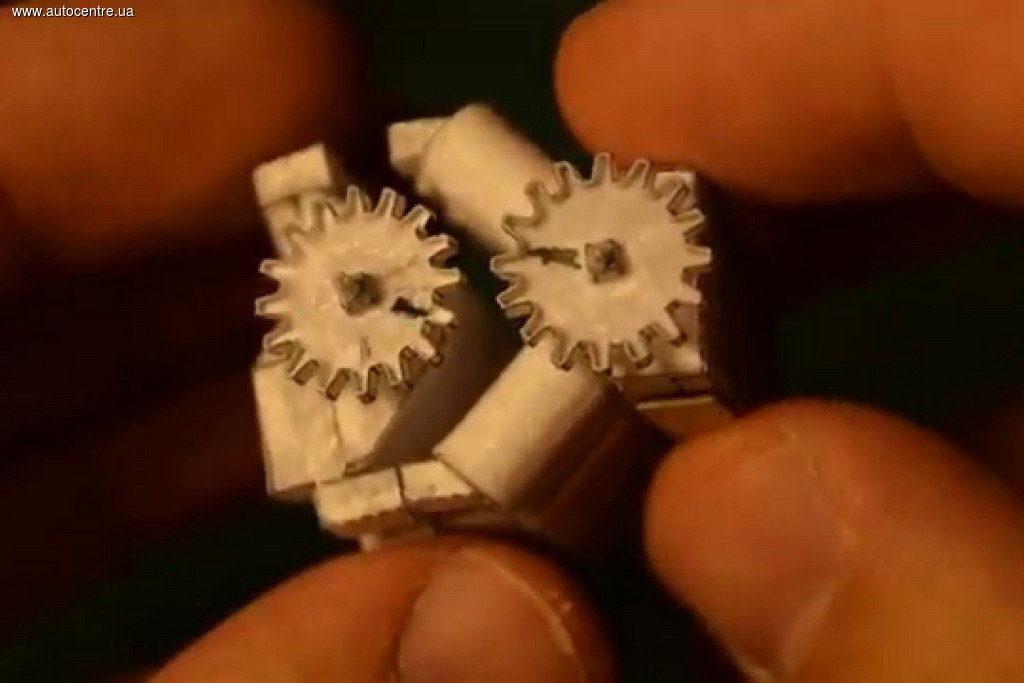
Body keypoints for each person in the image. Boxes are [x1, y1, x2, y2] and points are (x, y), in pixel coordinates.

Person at [2, 1, 1022, 680]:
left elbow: (483, 189)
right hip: (531, 486)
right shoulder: (409, 423)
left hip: (621, 387)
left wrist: (437, 161)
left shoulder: (596, 307)